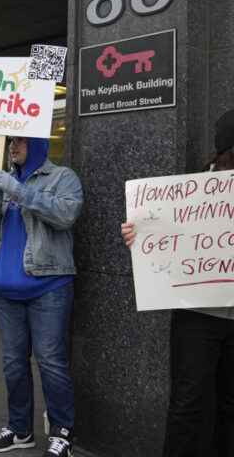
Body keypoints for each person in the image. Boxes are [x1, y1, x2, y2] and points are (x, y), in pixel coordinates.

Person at [121, 109, 234, 457]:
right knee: (188, 401)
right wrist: (135, 234)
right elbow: (160, 238)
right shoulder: (188, 192)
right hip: (197, 315)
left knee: (231, 405)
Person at [0, 136, 83, 457]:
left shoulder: (63, 177)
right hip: (6, 291)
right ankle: (20, 430)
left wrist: (17, 190)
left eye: (19, 141)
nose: (13, 148)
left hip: (48, 286)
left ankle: (62, 432)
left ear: (36, 144)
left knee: (51, 362)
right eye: (10, 143)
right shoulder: (2, 179)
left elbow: (66, 215)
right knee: (13, 364)